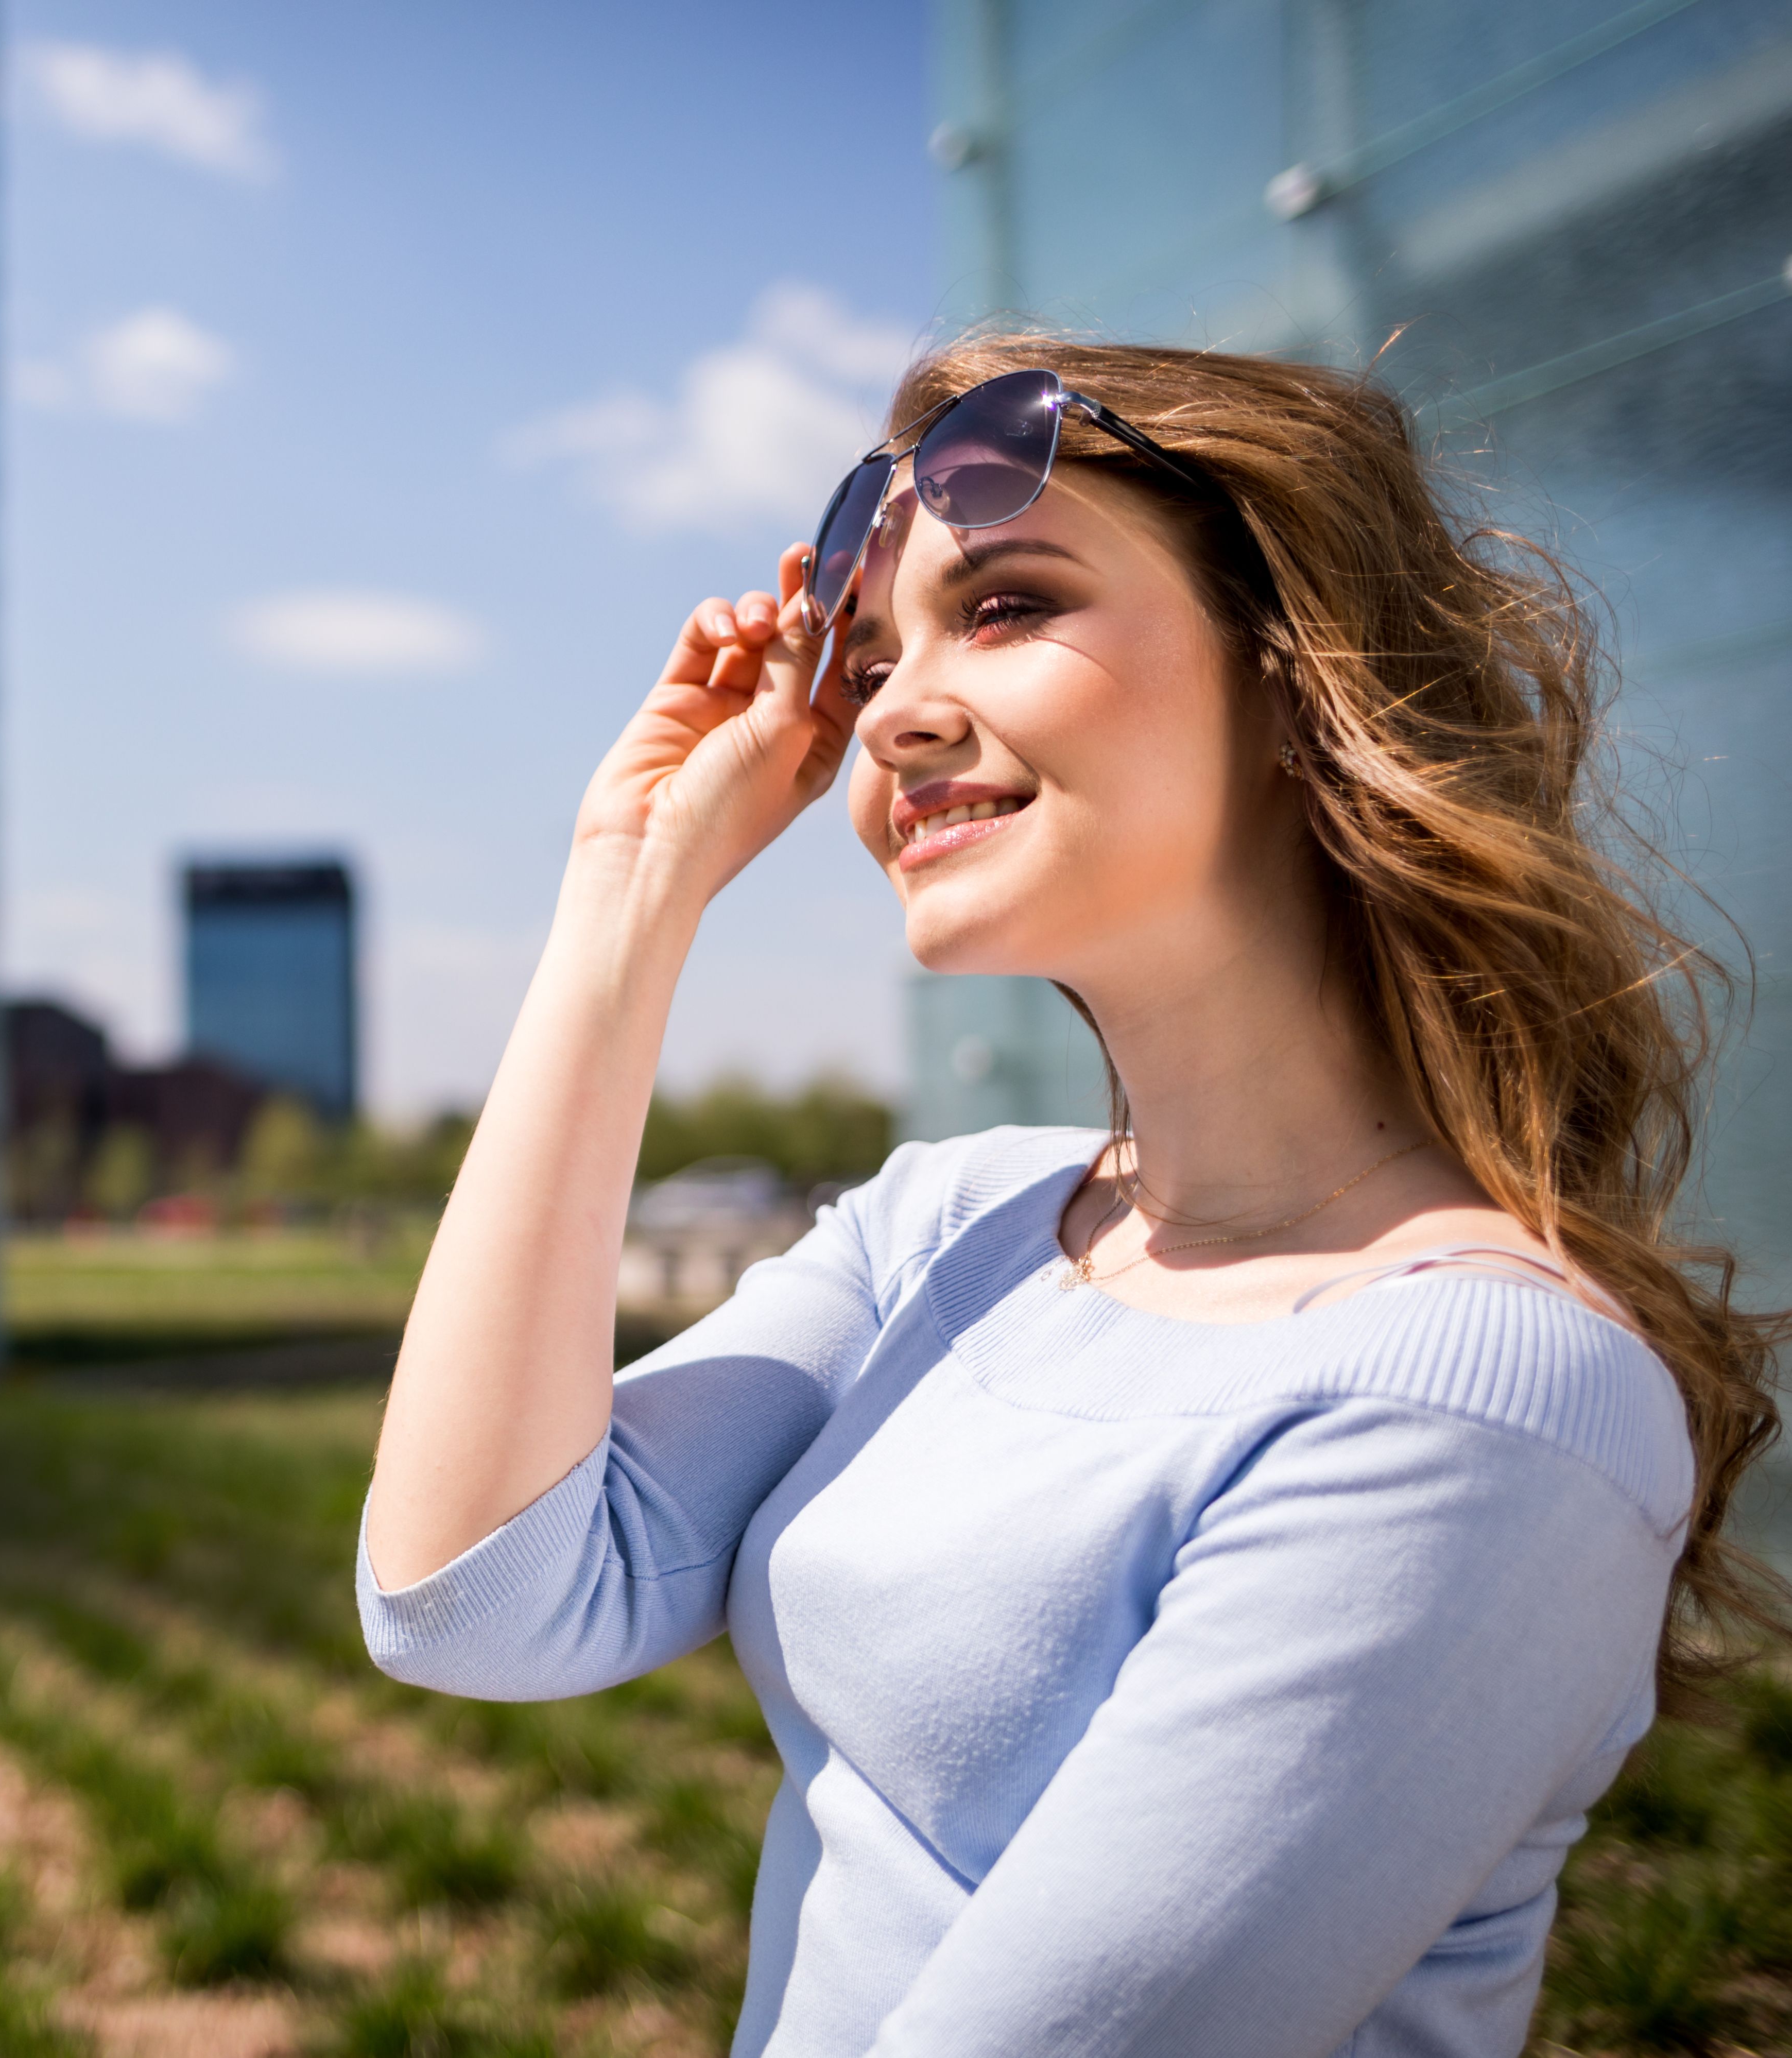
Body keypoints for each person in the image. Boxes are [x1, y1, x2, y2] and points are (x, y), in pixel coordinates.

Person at [356, 335, 1785, 2056]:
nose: (886, 709)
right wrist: (628, 892)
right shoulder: (945, 1223)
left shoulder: (1469, 1395)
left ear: (1290, 670)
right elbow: (474, 1601)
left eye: (1010, 605)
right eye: (873, 651)